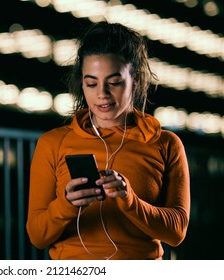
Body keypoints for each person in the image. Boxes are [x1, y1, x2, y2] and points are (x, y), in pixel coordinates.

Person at [26, 21, 190, 260]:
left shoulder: (165, 143)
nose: (101, 93)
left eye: (114, 82)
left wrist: (129, 200)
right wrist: (66, 205)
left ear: (135, 80)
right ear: (82, 83)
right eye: (91, 83)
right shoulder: (52, 143)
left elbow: (176, 232)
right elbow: (37, 236)